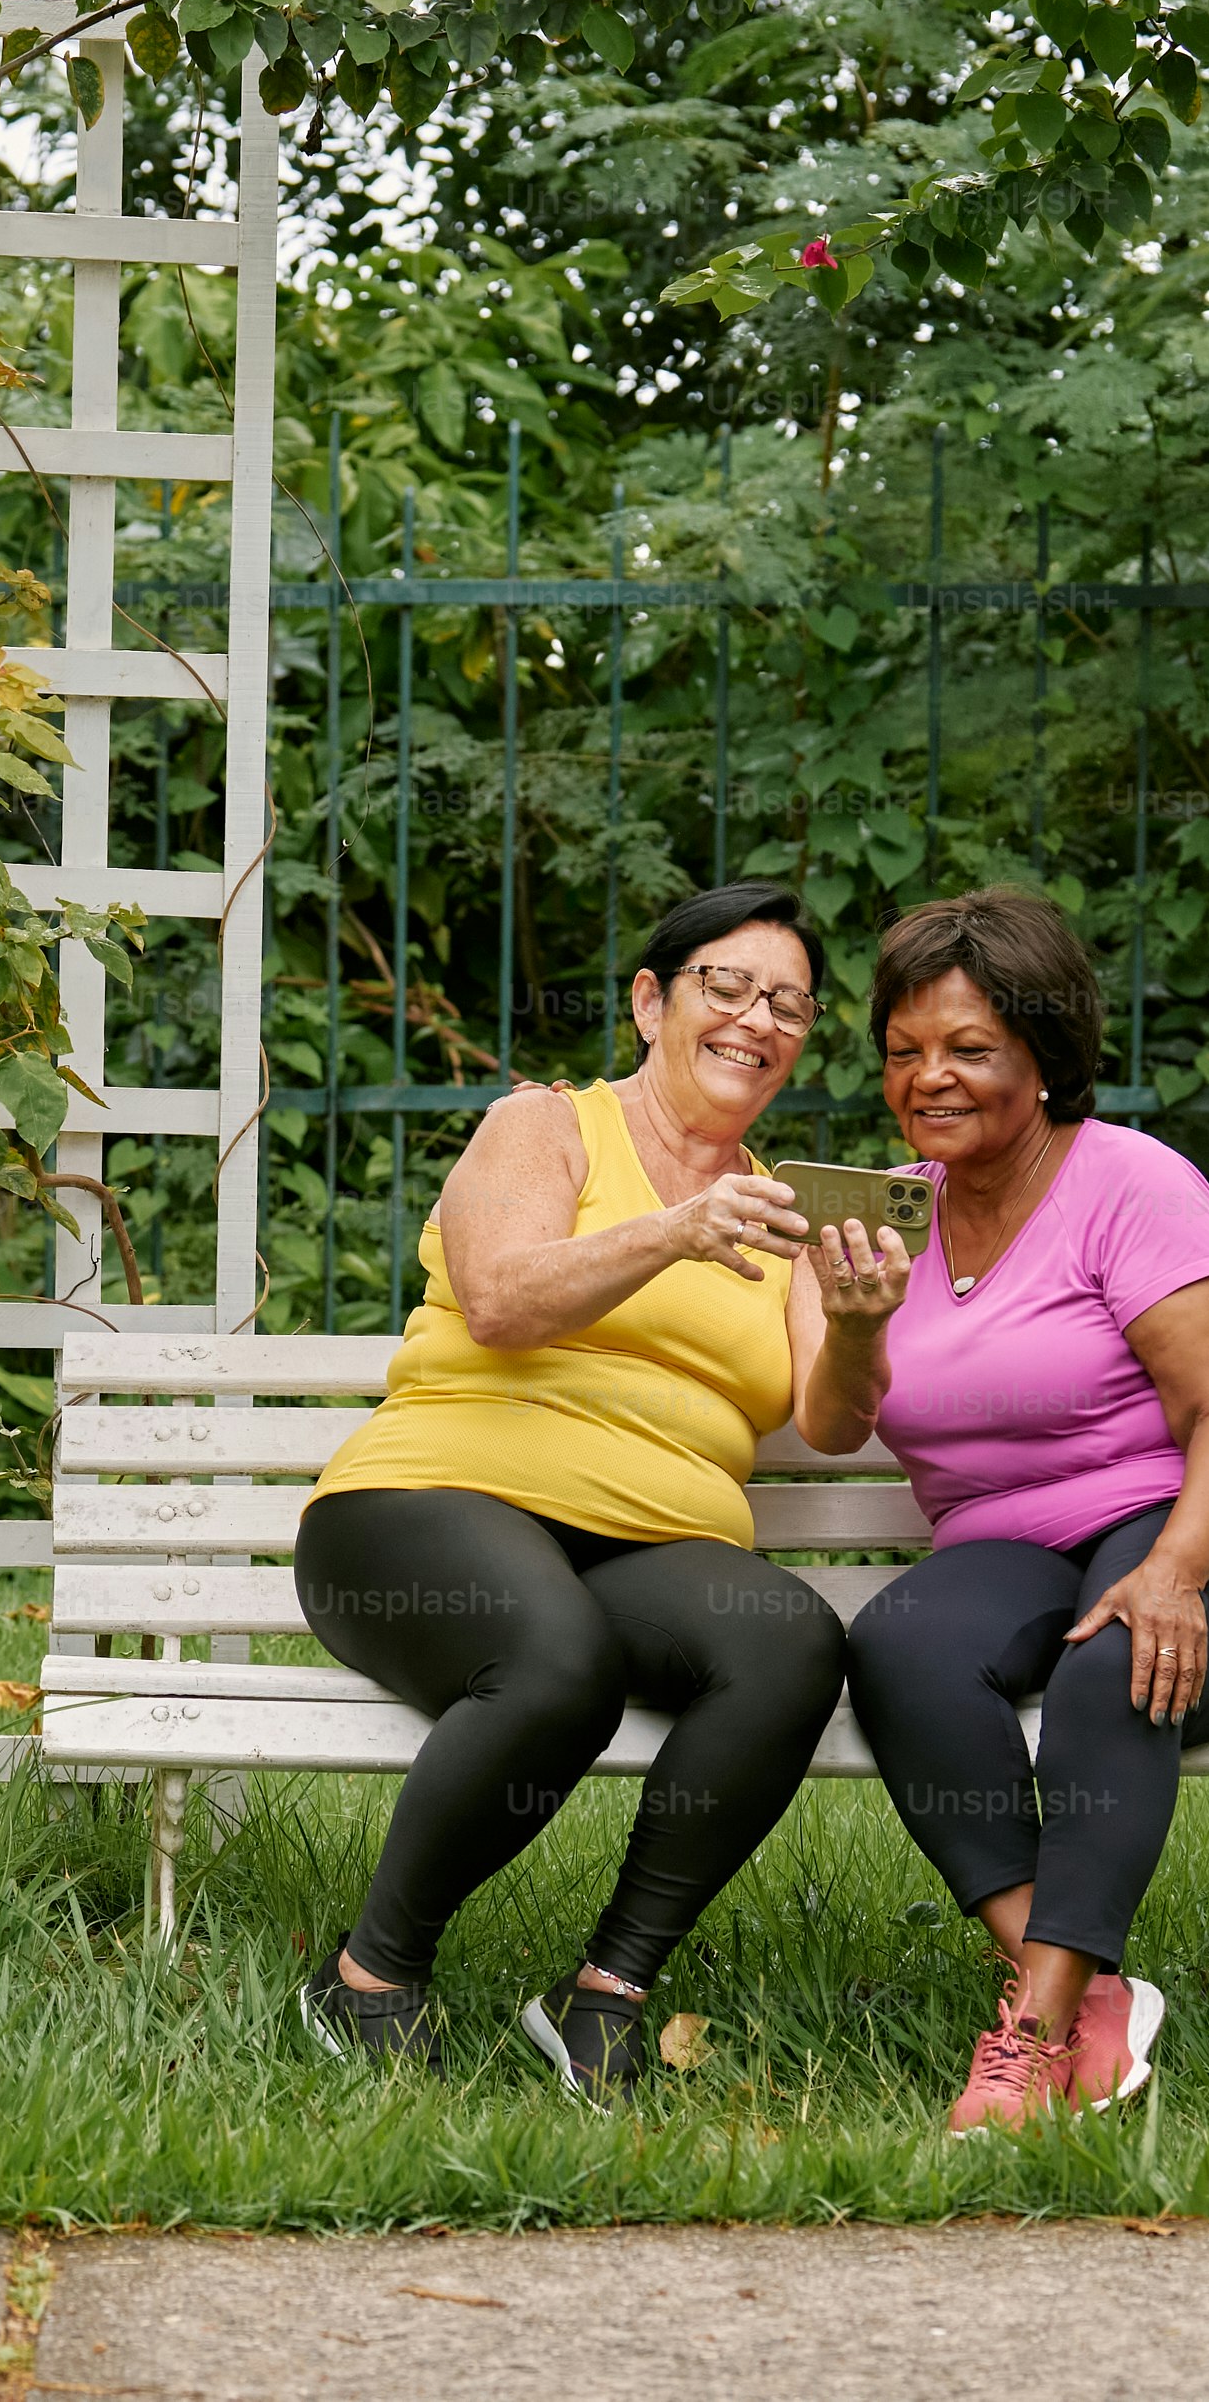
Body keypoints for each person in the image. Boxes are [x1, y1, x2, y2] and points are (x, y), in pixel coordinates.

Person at [793, 888, 1209, 2132]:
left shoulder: (1132, 1184)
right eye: (902, 1051)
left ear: (1044, 1057)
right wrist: (856, 1325)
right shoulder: (875, 1214)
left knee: (1114, 1659)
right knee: (899, 1647)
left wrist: (1176, 1572)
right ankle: (1088, 1990)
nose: (929, 1078)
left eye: (969, 1049)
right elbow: (832, 1426)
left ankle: (1031, 2040)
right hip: (1006, 1541)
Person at [293, 881, 855, 2102]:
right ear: (651, 1002)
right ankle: (369, 1975)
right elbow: (498, 1299)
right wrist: (675, 1230)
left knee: (792, 1641)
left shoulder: (788, 1218)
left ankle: (604, 1994)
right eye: (727, 985)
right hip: (425, 1499)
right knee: (557, 1664)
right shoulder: (545, 1126)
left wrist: (861, 1320)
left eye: (791, 1004)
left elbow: (830, 1414)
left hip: (649, 1541)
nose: (757, 1018)